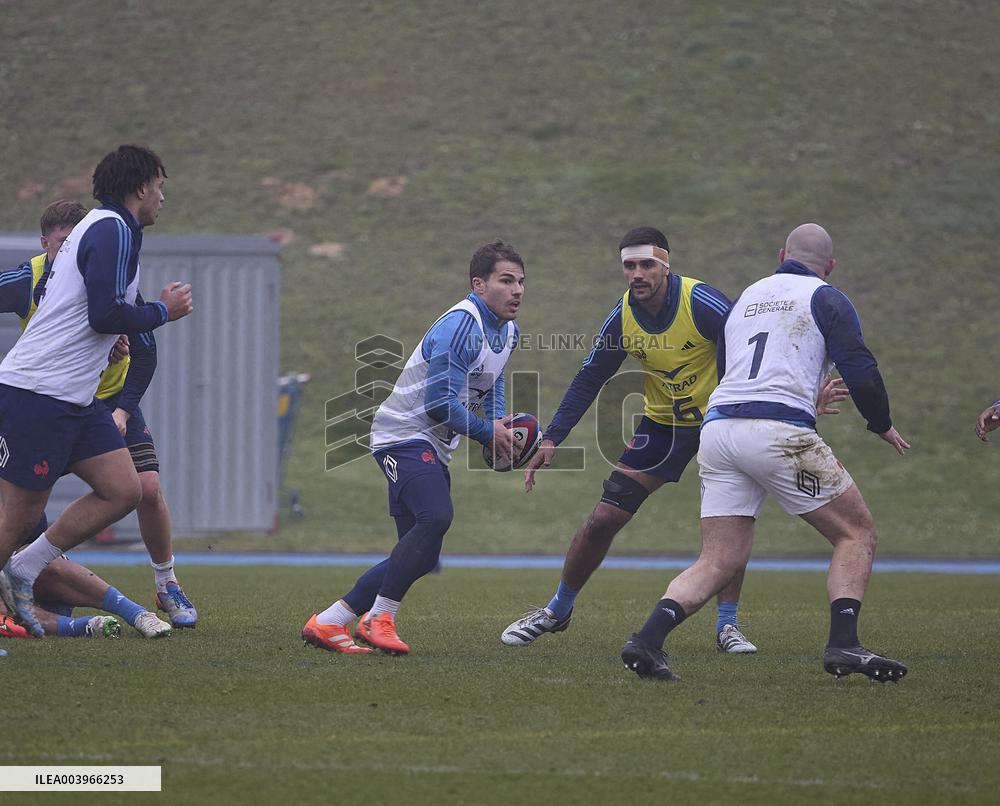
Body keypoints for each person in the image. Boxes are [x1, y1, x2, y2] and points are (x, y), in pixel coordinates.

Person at [500, 227, 844, 653]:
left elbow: (765, 350)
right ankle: (557, 610)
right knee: (603, 519)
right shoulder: (623, 316)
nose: (637, 273)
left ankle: (727, 625)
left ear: (666, 265)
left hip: (727, 423)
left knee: (731, 527)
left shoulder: (702, 303)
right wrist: (552, 438)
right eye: (630, 265)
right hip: (663, 427)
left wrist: (809, 395)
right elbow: (590, 377)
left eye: (647, 264)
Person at [620, 223, 910, 683]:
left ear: (781, 255)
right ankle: (844, 644)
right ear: (829, 266)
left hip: (718, 432)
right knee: (856, 534)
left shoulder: (746, 299)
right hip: (777, 432)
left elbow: (732, 367)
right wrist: (881, 423)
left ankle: (647, 641)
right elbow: (861, 371)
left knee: (718, 560)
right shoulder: (827, 297)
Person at [0, 144, 193, 637]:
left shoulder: (112, 228)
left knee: (125, 489)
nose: (163, 198)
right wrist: (161, 312)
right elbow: (104, 313)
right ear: (139, 188)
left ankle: (25, 569)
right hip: (40, 392)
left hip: (75, 396)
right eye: (160, 187)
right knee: (14, 519)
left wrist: (110, 340)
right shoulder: (110, 228)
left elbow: (94, 316)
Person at [302, 241, 525, 655]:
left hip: (433, 445)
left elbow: (491, 384)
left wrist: (498, 426)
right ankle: (378, 618)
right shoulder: (462, 324)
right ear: (479, 285)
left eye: (521, 282)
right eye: (506, 280)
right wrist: (485, 433)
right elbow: (438, 403)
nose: (517, 291)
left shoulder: (509, 332)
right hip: (400, 435)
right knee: (436, 516)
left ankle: (330, 622)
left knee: (422, 555)